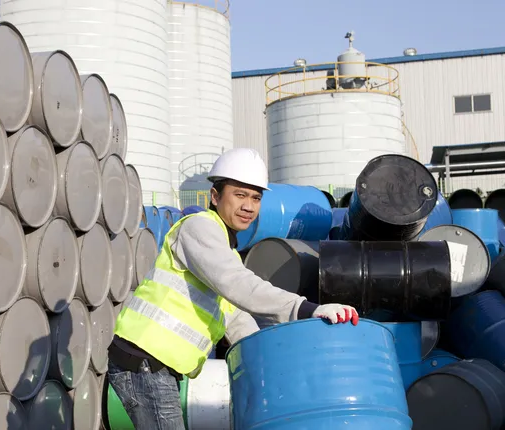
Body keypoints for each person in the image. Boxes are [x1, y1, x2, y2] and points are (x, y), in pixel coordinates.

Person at [107, 148, 359, 429]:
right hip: (143, 360)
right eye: (239, 195)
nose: (249, 206)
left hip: (156, 365)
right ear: (215, 197)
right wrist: (306, 309)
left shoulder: (224, 247)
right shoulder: (199, 229)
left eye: (256, 198)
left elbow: (235, 318)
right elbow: (239, 285)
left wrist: (272, 365)